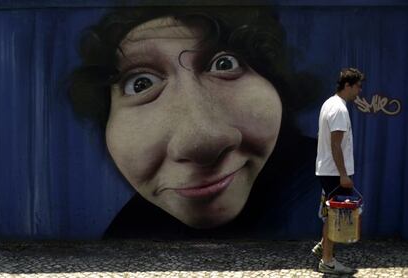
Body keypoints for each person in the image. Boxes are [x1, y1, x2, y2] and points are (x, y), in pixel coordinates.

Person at [68, 2, 321, 238]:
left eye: (224, 64)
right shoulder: (129, 232)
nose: (201, 142)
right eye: (141, 84)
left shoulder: (325, 185)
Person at [313, 68, 364, 274]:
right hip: (334, 172)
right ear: (348, 85)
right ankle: (327, 261)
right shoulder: (339, 110)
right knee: (334, 217)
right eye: (358, 86)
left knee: (330, 214)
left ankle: (322, 247)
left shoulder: (329, 103)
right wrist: (343, 174)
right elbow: (335, 145)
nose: (359, 91)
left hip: (328, 170)